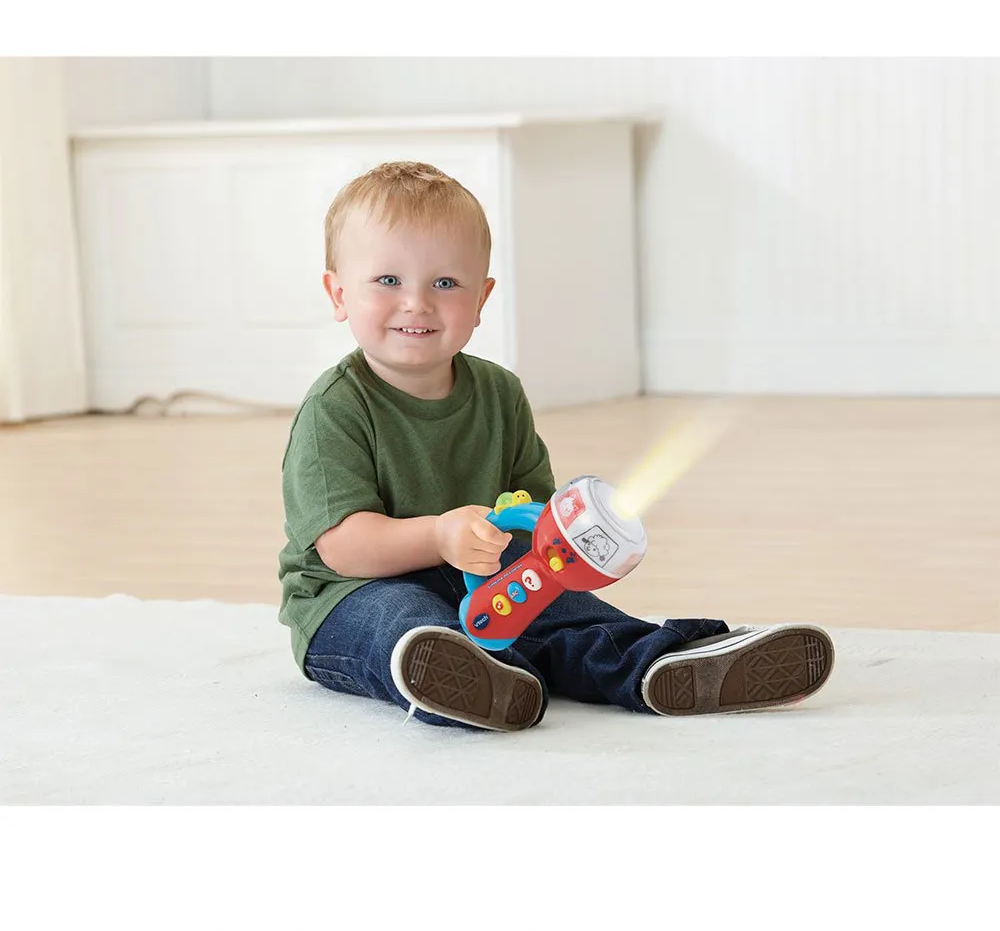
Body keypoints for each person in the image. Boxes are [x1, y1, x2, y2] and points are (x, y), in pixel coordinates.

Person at [277, 161, 834, 731]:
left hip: (481, 579)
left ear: (481, 298)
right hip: (352, 592)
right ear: (338, 293)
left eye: (445, 283)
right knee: (400, 620)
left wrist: (568, 539)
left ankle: (662, 663)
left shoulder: (499, 393)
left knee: (569, 612)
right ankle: (470, 675)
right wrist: (439, 535)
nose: (417, 302)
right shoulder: (335, 408)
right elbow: (343, 549)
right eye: (388, 281)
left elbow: (531, 519)